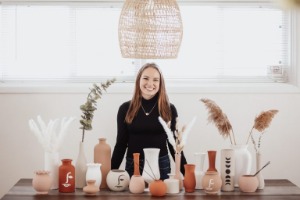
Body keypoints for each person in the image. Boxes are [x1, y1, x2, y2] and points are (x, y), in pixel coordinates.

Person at [111, 62, 187, 180]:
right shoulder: (125, 109)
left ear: (160, 83)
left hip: (161, 165)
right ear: (138, 81)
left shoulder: (169, 109)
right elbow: (121, 144)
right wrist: (109, 173)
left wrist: (187, 173)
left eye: (156, 80)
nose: (150, 83)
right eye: (146, 78)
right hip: (133, 165)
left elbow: (175, 147)